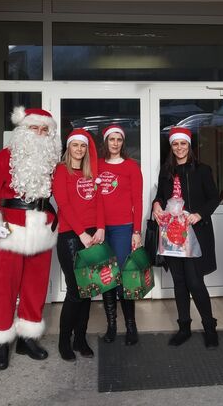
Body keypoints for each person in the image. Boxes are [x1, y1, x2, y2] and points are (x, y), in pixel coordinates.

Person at [0, 106, 61, 371]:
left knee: (35, 286)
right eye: (35, 128)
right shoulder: (5, 157)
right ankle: (2, 340)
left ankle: (27, 338)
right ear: (23, 130)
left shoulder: (52, 160)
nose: (40, 133)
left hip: (41, 227)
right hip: (9, 228)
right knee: (5, 285)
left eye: (45, 130)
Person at [152, 126, 220, 348]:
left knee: (194, 282)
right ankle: (184, 327)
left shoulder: (202, 170)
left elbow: (214, 198)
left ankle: (209, 326)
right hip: (172, 235)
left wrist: (199, 214)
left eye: (183, 143)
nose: (179, 148)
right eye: (175, 144)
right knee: (179, 282)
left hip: (195, 234)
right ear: (171, 146)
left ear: (189, 146)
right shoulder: (166, 171)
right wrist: (156, 204)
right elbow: (161, 196)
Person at [53, 128, 105, 361]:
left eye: (83, 146)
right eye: (75, 145)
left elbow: (100, 201)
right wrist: (81, 233)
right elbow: (63, 204)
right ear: (69, 147)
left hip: (92, 235)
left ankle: (80, 339)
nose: (79, 149)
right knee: (75, 290)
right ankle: (64, 340)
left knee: (88, 290)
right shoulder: (61, 171)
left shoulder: (91, 173)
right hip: (71, 236)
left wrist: (101, 228)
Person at [97, 124, 143, 346]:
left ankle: (131, 325)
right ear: (106, 141)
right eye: (111, 139)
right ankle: (112, 325)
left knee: (124, 277)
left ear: (123, 142)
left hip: (123, 228)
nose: (115, 143)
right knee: (106, 277)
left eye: (119, 139)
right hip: (100, 229)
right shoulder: (96, 165)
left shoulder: (131, 166)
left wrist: (136, 231)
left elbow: (138, 201)